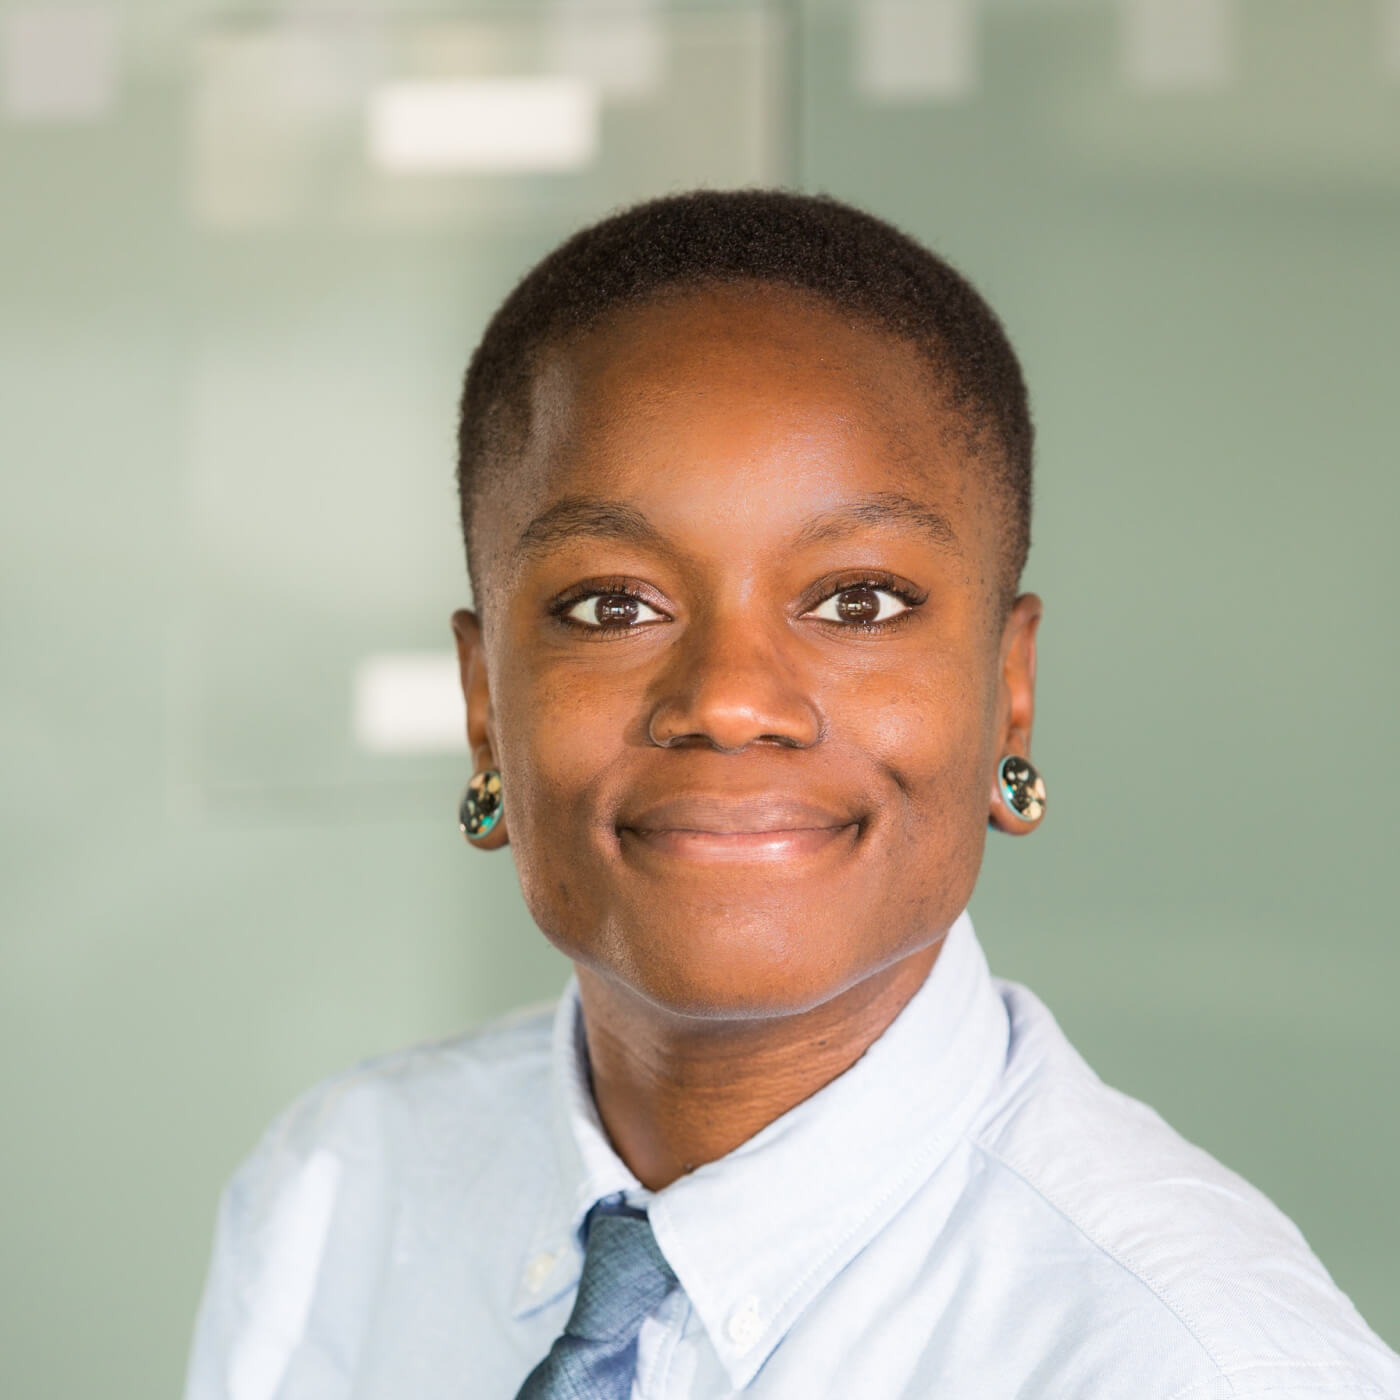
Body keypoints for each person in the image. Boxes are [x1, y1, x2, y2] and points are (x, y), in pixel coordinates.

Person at [184, 190, 1400, 1399]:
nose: (726, 697)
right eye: (613, 604)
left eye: (855, 600)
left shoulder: (1195, 1362)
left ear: (1008, 688)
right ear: (483, 703)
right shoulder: (339, 1193)